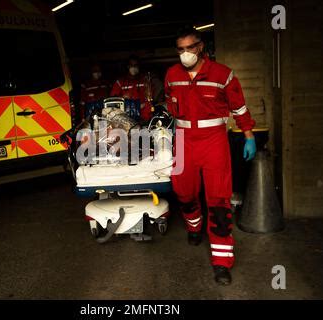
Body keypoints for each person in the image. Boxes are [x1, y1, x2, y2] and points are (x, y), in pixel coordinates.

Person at [164, 26, 257, 285]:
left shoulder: (222, 74)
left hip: (213, 141)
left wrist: (248, 136)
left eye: (190, 48)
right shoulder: (172, 74)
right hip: (183, 140)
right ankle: (194, 226)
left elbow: (239, 107)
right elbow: (171, 106)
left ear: (201, 46)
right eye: (180, 49)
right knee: (183, 191)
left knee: (218, 199)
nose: (185, 54)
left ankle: (221, 261)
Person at [110, 55, 154, 122]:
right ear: (128, 66)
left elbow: (150, 98)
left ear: (139, 66)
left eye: (135, 65)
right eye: (131, 65)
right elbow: (113, 100)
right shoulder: (120, 82)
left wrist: (144, 105)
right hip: (126, 118)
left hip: (144, 118)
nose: (133, 67)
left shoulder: (145, 80)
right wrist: (122, 97)